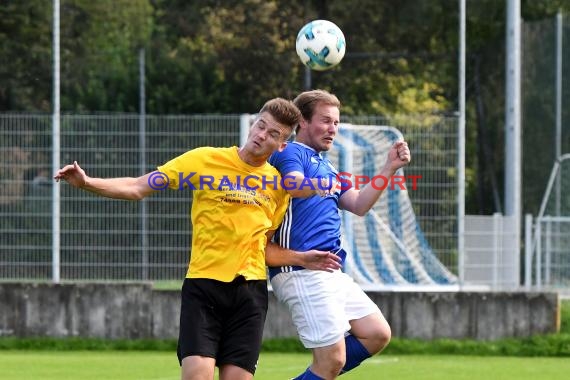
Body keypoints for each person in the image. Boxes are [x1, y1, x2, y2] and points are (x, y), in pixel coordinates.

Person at [54, 97, 341, 380]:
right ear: (253, 124)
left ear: (282, 145)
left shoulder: (278, 187)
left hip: (250, 294)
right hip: (204, 286)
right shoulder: (205, 160)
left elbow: (265, 247)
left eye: (273, 134)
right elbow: (138, 187)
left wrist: (301, 258)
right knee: (197, 376)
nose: (262, 134)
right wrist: (87, 182)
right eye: (261, 125)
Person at [265, 90, 411, 380]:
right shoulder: (291, 152)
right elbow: (293, 183)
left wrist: (389, 167)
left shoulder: (327, 166)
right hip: (300, 269)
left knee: (376, 334)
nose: (333, 129)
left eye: (336, 122)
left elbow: (359, 204)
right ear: (302, 122)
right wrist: (317, 183)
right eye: (326, 121)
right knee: (332, 360)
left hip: (330, 270)